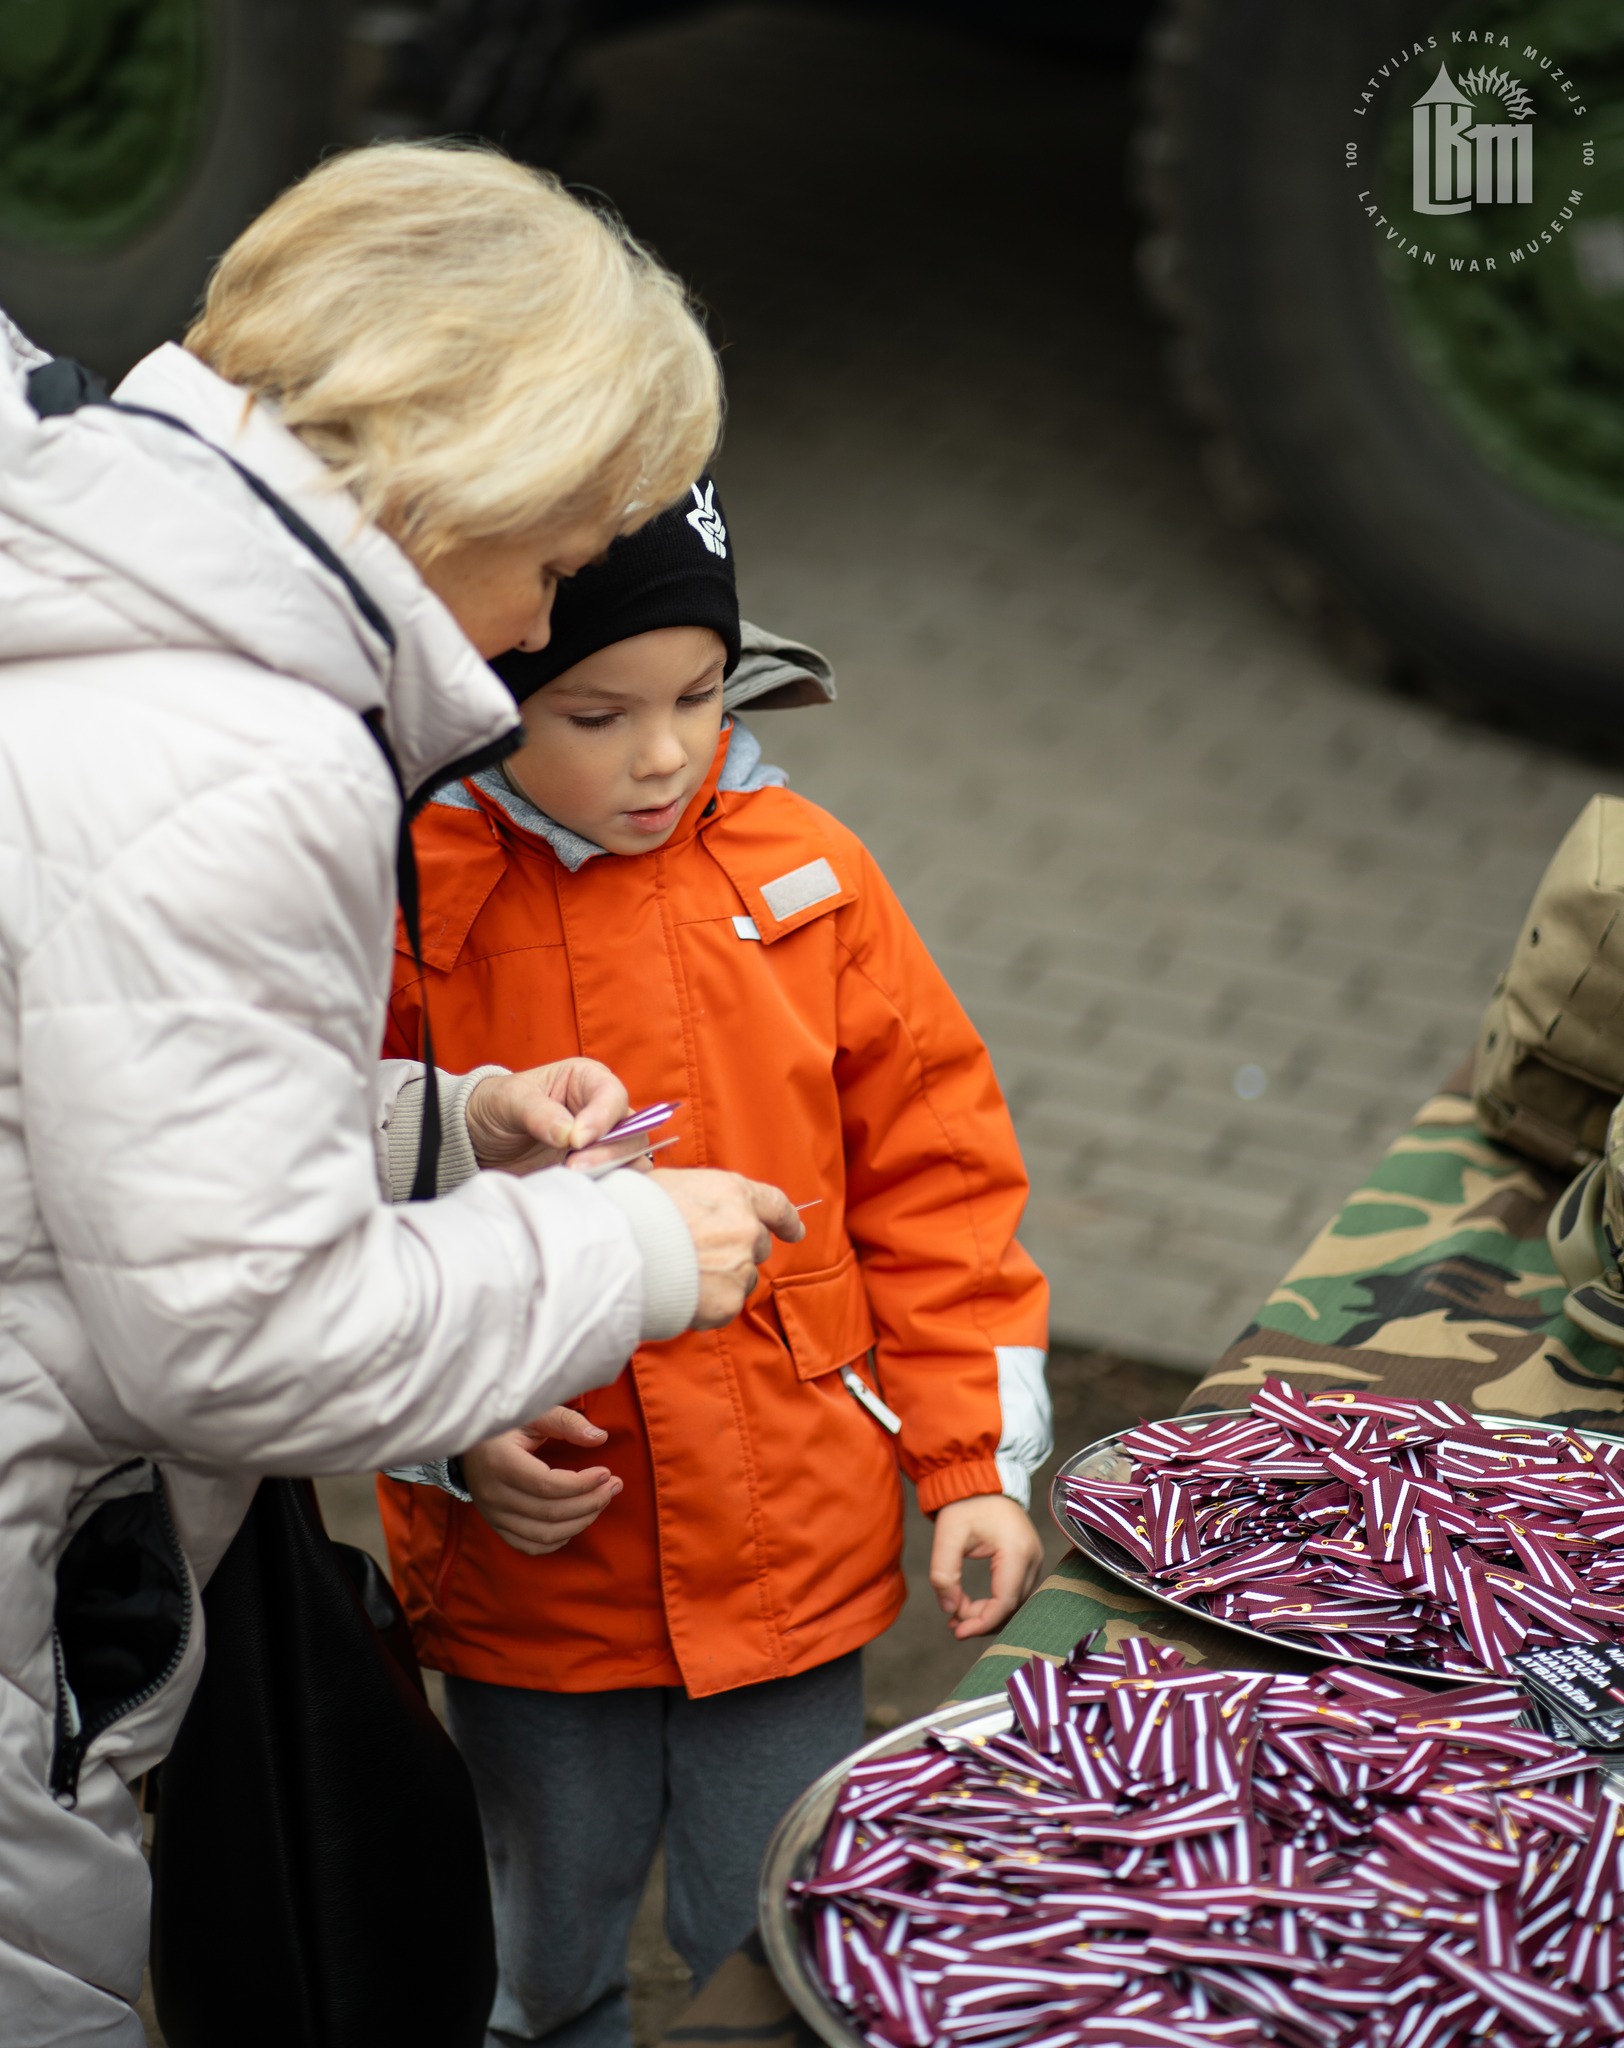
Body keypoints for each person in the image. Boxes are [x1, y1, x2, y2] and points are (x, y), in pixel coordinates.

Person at [0, 146, 801, 2046]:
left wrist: (436, 1129)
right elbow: (236, 1340)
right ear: (467, 471)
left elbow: (85, 1083)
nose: (535, 625)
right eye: (553, 553)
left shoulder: (81, 579)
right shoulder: (253, 754)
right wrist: (618, 1249)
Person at [377, 475, 1053, 2048]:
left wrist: (972, 1464)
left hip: (794, 1552)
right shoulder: (407, 902)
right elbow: (331, 1226)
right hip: (540, 1567)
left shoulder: (809, 875)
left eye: (696, 694)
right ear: (485, 695)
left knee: (777, 1937)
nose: (664, 751)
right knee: (540, 1952)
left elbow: (942, 1186)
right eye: (598, 713)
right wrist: (450, 1432)